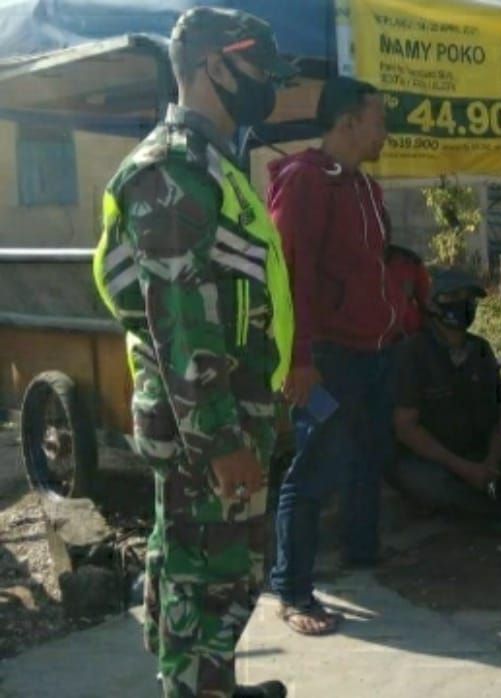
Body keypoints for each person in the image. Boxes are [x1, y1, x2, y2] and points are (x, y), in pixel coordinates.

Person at [92, 7, 296, 696]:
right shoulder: (171, 171)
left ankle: (213, 685)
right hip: (204, 431)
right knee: (206, 582)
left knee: (215, 573)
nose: (266, 84)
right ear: (214, 66)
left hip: (227, 415)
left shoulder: (213, 165)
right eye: (259, 68)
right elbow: (181, 322)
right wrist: (219, 440)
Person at [266, 76, 405, 636]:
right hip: (325, 357)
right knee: (315, 468)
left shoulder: (364, 188)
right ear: (348, 122)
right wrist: (299, 360)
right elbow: (290, 277)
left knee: (366, 455)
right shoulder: (304, 183)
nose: (385, 131)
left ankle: (361, 551)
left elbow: (375, 267)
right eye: (379, 120)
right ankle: (293, 589)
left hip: (373, 353)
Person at [388, 268, 501, 524]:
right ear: (435, 304)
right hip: (435, 460)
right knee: (425, 482)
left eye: (470, 298)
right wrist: (463, 468)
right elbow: (406, 428)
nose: (465, 304)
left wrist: (491, 461)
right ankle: (492, 504)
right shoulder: (413, 353)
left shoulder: (480, 349)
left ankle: (479, 497)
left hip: (478, 453)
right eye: (455, 296)